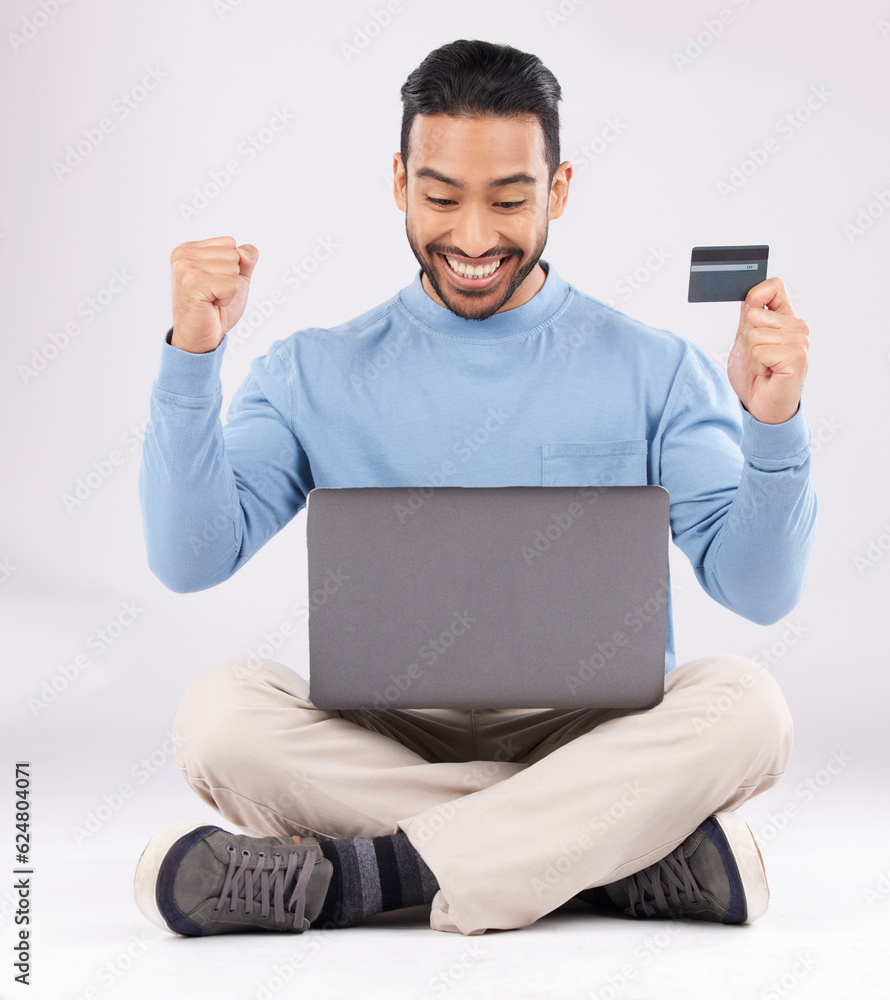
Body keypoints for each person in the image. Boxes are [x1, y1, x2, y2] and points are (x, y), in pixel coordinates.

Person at [134, 38, 816, 938]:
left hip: (594, 733)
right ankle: (611, 852)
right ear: (398, 182)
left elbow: (758, 590)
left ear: (559, 191)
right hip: (386, 738)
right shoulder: (311, 371)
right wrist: (192, 360)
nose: (471, 238)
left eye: (508, 199)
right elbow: (189, 559)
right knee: (217, 716)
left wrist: (773, 423)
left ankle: (367, 878)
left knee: (749, 708)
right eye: (440, 196)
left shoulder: (655, 368)